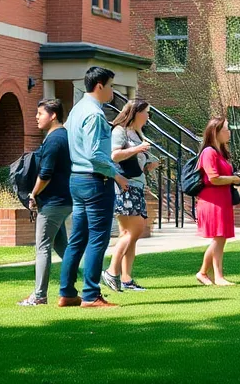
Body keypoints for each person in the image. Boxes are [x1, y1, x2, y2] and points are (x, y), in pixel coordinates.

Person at [58, 66, 129, 308]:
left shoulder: (76, 110)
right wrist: (116, 175)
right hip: (95, 180)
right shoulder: (95, 115)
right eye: (110, 85)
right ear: (99, 85)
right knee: (98, 239)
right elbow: (96, 155)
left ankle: (67, 292)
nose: (112, 90)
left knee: (78, 238)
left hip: (77, 179)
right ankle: (91, 295)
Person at [19, 98, 72, 306]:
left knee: (42, 247)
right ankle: (88, 286)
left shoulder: (54, 140)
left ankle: (39, 296)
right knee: (64, 248)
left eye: (40, 114)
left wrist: (33, 194)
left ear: (53, 115)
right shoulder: (63, 136)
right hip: (62, 200)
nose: (37, 117)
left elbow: (46, 173)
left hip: (52, 203)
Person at [104, 98, 160, 293]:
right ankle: (111, 272)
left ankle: (127, 279)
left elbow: (134, 161)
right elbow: (114, 156)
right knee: (134, 231)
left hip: (136, 185)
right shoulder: (119, 131)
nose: (148, 116)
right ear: (135, 113)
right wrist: (138, 148)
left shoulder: (137, 132)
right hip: (124, 187)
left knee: (130, 235)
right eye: (146, 112)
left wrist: (148, 165)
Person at [195, 117, 240, 287]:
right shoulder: (209, 152)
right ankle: (218, 276)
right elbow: (213, 178)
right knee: (218, 237)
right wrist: (235, 179)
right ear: (216, 132)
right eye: (226, 129)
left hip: (222, 200)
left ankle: (203, 273)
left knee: (220, 238)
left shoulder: (219, 152)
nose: (229, 132)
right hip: (212, 201)